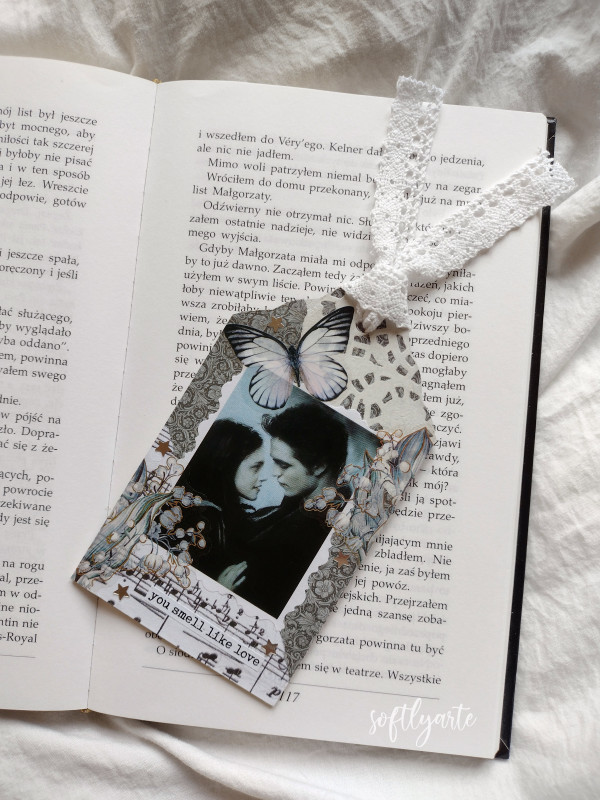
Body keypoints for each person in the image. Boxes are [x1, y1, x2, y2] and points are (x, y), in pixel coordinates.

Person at [222, 401, 349, 618]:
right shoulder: (295, 504)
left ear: (319, 466)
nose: (274, 473)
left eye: (283, 465)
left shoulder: (319, 534)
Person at [174, 419, 266, 578]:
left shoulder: (216, 512)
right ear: (229, 465)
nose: (264, 477)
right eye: (256, 468)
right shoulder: (203, 519)